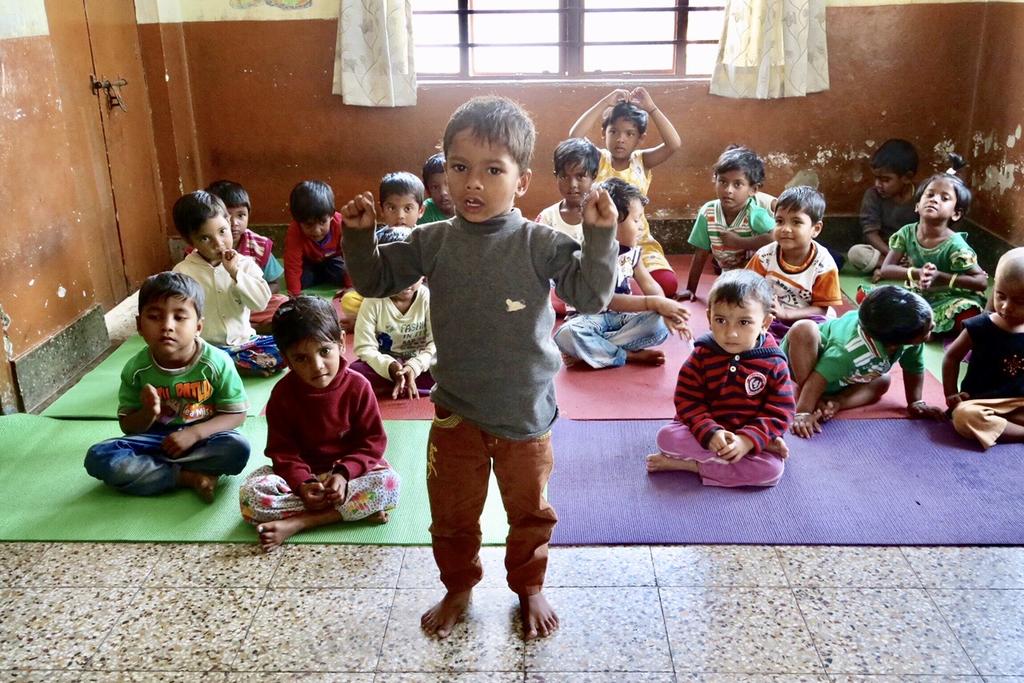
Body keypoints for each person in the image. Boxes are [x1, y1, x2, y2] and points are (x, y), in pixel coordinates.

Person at [340, 96, 619, 640]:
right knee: (452, 515)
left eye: (493, 170)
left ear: (521, 180)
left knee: (531, 515)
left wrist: (601, 236)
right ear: (444, 173)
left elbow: (591, 293)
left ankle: (529, 587)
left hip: (524, 416)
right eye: (460, 168)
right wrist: (358, 236)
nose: (473, 183)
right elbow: (373, 282)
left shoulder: (541, 243)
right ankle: (458, 587)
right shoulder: (432, 239)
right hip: (456, 414)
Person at [238, 296, 401, 551]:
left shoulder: (358, 387)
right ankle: (353, 512)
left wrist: (344, 474)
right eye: (301, 358)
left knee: (389, 484)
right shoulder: (282, 395)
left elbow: (372, 443)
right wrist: (303, 484)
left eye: (324, 351)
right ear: (287, 359)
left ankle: (302, 522)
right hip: (303, 481)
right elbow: (282, 452)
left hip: (350, 477)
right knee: (251, 497)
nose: (317, 366)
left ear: (340, 343)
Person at [84, 272, 250, 500]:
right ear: (139, 325)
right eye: (154, 317)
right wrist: (148, 413)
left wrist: (193, 434)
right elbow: (128, 426)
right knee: (99, 456)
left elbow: (236, 415)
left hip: (204, 439)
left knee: (237, 447)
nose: (167, 326)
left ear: (199, 326)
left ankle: (154, 473)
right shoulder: (136, 369)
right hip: (156, 442)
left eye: (180, 317)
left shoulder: (217, 363)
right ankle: (186, 476)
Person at [646, 270, 794, 486]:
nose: (730, 333)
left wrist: (746, 440)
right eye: (721, 320)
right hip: (708, 430)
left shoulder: (774, 363)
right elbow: (688, 402)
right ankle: (732, 459)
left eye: (744, 323)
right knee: (666, 437)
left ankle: (693, 466)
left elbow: (780, 411)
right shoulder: (702, 355)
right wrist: (710, 432)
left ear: (765, 322)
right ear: (709, 317)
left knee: (771, 472)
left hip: (749, 432)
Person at [554, 177, 690, 368]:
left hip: (622, 320)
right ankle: (626, 355)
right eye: (636, 220)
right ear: (612, 221)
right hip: (588, 320)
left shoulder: (633, 255)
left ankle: (595, 350)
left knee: (658, 325)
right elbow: (607, 299)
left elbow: (650, 285)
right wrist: (654, 303)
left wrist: (666, 309)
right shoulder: (588, 254)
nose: (641, 226)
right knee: (567, 335)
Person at [784, 285, 945, 438]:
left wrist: (916, 402)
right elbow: (817, 378)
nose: (933, 326)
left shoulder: (911, 342)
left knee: (883, 380)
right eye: (928, 329)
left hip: (843, 378)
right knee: (804, 329)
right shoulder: (848, 350)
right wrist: (803, 412)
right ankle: (814, 400)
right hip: (807, 367)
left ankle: (836, 402)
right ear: (894, 344)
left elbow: (914, 367)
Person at [570, 87, 682, 297]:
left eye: (629, 134)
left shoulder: (643, 161)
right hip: (602, 241)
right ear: (604, 133)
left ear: (640, 138)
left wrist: (652, 108)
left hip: (638, 240)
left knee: (668, 284)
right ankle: (623, 288)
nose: (621, 139)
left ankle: (623, 288)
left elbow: (674, 144)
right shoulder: (597, 158)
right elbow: (574, 135)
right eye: (614, 132)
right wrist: (605, 102)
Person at [171, 190, 283, 376]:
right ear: (189, 240)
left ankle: (230, 367)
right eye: (205, 238)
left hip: (245, 343)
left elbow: (260, 303)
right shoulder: (183, 272)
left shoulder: (245, 264)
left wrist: (235, 273)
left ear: (229, 224)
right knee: (182, 359)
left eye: (223, 231)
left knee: (282, 351)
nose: (219, 243)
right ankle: (234, 367)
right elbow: (178, 317)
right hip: (206, 350)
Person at [876, 167, 988, 336]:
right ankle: (925, 327)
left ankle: (923, 327)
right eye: (930, 195)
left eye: (945, 198)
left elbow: (981, 282)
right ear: (917, 206)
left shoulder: (956, 245)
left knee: (968, 315)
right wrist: (918, 273)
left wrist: (941, 278)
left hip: (950, 298)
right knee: (870, 297)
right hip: (918, 295)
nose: (934, 200)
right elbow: (886, 269)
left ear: (956, 214)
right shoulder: (906, 233)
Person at [943, 247, 1024, 449]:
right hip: (981, 402)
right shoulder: (980, 325)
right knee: (963, 417)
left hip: (1018, 404)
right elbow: (952, 357)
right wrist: (951, 394)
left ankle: (1004, 428)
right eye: (1001, 295)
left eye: (1019, 301)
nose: (1005, 306)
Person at [679, 145, 775, 301]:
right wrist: (690, 289)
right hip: (728, 273)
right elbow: (700, 253)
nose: (728, 190)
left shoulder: (755, 214)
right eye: (722, 182)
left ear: (753, 189)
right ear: (715, 180)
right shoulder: (708, 212)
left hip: (759, 274)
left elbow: (776, 237)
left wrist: (739, 242)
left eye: (737, 184)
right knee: (719, 299)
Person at [746, 186, 842, 339]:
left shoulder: (824, 265)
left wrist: (786, 314)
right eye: (779, 221)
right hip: (773, 317)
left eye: (796, 222)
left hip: (808, 319)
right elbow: (746, 286)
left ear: (816, 229)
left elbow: (821, 309)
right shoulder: (765, 255)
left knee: (817, 333)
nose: (785, 229)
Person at [338, 172, 425, 324]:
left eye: (408, 208)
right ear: (382, 211)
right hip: (381, 296)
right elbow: (365, 274)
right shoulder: (372, 238)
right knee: (350, 300)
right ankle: (369, 320)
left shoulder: (424, 239)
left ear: (421, 211)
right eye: (392, 208)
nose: (400, 216)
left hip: (415, 296)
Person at [205, 179, 288, 332]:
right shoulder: (201, 249)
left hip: (253, 306)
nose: (235, 223)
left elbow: (274, 283)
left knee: (283, 304)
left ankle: (249, 325)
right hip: (218, 306)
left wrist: (250, 293)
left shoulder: (258, 245)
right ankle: (255, 327)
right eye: (228, 217)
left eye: (241, 215)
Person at [351, 278, 436, 399]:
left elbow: (436, 343)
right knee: (355, 372)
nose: (405, 280)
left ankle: (399, 385)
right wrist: (390, 368)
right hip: (385, 364)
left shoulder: (427, 297)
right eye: (398, 274)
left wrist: (415, 366)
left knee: (450, 368)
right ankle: (407, 384)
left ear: (423, 276)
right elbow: (365, 347)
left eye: (413, 275)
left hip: (420, 364)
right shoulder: (373, 300)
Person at [847, 139, 919, 279]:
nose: (878, 184)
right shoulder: (872, 195)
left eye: (885, 180)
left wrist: (912, 254)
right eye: (876, 178)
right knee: (856, 254)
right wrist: (892, 253)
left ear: (907, 178)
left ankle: (889, 270)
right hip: (884, 251)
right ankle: (900, 270)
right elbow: (870, 232)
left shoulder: (922, 196)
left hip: (912, 254)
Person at [283, 180, 346, 296]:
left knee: (344, 275)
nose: (317, 231)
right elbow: (292, 264)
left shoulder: (342, 225)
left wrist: (351, 287)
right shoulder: (294, 231)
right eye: (308, 224)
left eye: (322, 222)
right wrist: (294, 296)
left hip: (333, 259)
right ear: (298, 221)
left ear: (332, 215)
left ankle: (324, 274)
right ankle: (321, 274)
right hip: (308, 262)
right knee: (302, 280)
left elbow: (351, 257)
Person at [536, 137, 601, 243]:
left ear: (594, 175)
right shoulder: (548, 218)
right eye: (564, 177)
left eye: (580, 176)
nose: (572, 184)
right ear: (556, 176)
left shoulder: (602, 216)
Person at [419, 152, 455, 224]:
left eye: (448, 184)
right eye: (435, 187)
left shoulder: (469, 209)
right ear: (428, 191)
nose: (443, 192)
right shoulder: (424, 212)